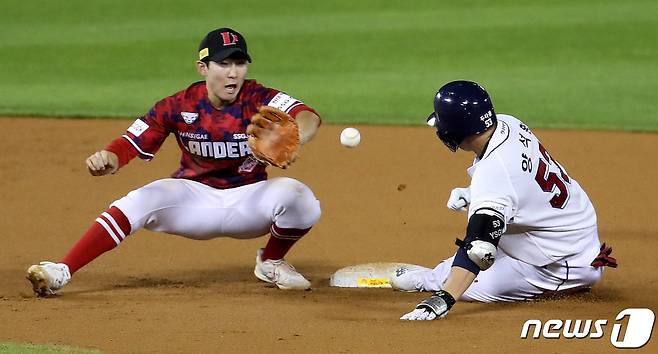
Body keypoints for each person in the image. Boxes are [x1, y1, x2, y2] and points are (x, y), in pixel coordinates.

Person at [26, 27, 322, 296]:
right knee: (139, 199)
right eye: (223, 64)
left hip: (249, 202)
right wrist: (110, 157)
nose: (233, 73)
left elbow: (307, 115)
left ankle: (270, 261)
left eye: (239, 63)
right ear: (203, 68)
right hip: (192, 200)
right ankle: (61, 271)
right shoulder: (178, 105)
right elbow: (132, 141)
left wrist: (297, 136)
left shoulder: (259, 96)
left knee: (300, 197)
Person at [393, 80, 617, 320]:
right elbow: (521, 181)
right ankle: (435, 277)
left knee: (456, 280)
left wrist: (443, 298)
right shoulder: (509, 123)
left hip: (562, 264)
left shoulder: (494, 174)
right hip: (572, 233)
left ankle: (432, 281)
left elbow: (480, 248)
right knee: (446, 271)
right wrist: (473, 194)